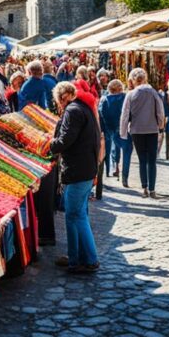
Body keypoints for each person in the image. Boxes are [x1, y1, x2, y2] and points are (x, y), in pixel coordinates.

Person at [50, 82, 101, 274]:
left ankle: (86, 259)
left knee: (74, 215)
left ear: (62, 97)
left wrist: (48, 144)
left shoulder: (73, 111)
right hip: (85, 168)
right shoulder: (84, 107)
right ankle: (79, 257)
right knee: (79, 214)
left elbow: (65, 140)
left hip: (78, 170)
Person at [119, 68, 165, 198]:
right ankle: (152, 189)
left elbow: (125, 114)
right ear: (145, 78)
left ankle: (144, 187)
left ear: (133, 80)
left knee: (142, 160)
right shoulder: (153, 92)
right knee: (152, 160)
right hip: (152, 129)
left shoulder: (131, 94)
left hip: (136, 130)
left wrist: (123, 132)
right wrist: (160, 125)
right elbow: (160, 111)